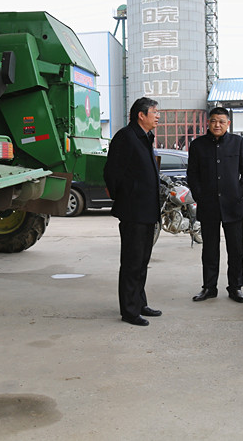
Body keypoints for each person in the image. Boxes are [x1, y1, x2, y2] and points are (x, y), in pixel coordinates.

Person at [103, 97, 162, 327]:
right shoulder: (126, 137)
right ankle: (129, 310)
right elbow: (112, 172)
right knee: (131, 262)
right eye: (154, 112)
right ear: (141, 115)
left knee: (142, 261)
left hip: (148, 210)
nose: (158, 116)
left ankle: (139, 303)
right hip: (133, 211)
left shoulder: (146, 136)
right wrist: (126, 197)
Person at [186, 107, 243, 303]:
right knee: (209, 249)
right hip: (208, 205)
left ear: (228, 124)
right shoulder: (198, 145)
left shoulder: (238, 143)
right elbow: (192, 174)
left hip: (233, 205)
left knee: (236, 250)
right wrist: (199, 195)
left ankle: (235, 287)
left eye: (222, 121)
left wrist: (239, 191)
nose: (217, 125)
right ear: (208, 122)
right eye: (214, 121)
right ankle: (209, 287)